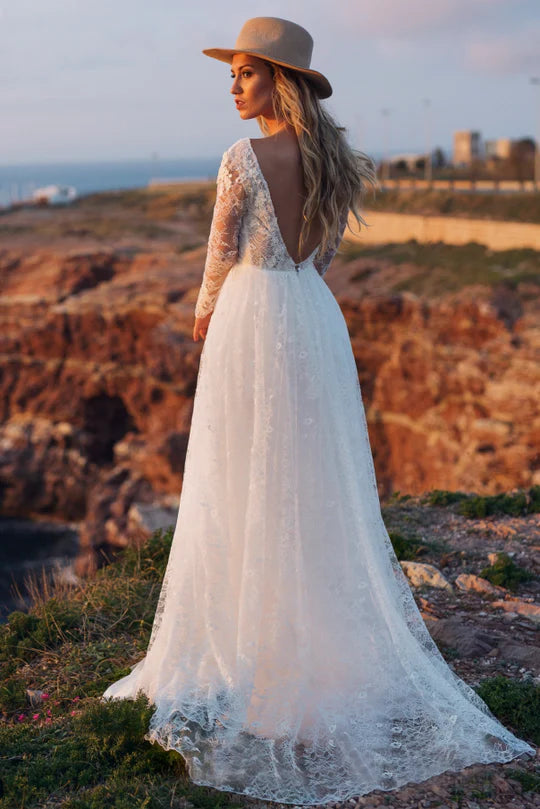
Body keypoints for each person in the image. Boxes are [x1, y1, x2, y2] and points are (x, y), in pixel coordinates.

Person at [102, 16, 535, 805]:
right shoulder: (332, 159)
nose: (232, 87)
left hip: (250, 319)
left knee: (244, 474)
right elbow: (325, 252)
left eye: (243, 73)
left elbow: (220, 253)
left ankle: (256, 653)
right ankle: (298, 648)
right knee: (303, 478)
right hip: (310, 314)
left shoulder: (242, 158)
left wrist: (205, 315)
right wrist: (292, 281)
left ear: (278, 79)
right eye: (230, 75)